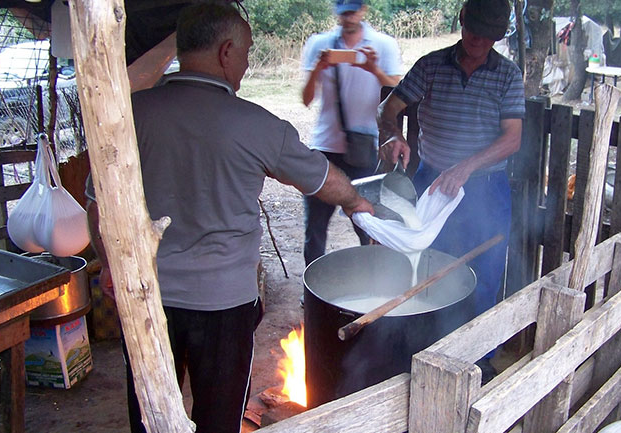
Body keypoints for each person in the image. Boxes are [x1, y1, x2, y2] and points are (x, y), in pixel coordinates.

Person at [85, 4, 373, 433]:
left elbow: (97, 205)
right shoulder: (256, 125)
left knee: (149, 410)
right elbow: (321, 178)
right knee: (219, 418)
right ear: (225, 52)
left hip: (147, 297)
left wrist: (110, 264)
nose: (247, 62)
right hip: (224, 305)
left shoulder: (131, 116)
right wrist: (355, 201)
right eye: (247, 51)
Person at [377, 0, 524, 319]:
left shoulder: (508, 75)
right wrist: (392, 135)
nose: (478, 39)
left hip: (486, 190)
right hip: (431, 182)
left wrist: (466, 166)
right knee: (424, 268)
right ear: (462, 20)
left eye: (487, 34)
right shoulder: (430, 65)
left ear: (498, 35)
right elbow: (388, 109)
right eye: (473, 29)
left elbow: (512, 139)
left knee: (483, 277)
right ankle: (425, 338)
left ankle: (478, 347)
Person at [300, 0, 403, 267]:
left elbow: (399, 93)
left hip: (364, 150)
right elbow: (306, 99)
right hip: (325, 149)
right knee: (315, 228)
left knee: (368, 226)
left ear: (364, 9)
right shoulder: (319, 44)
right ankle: (310, 286)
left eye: (353, 11)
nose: (348, 18)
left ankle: (370, 281)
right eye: (343, 12)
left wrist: (373, 69)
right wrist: (318, 69)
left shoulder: (383, 45)